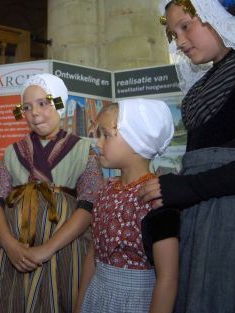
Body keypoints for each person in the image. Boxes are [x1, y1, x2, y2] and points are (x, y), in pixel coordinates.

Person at [139, 0, 235, 312]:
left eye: (186, 26)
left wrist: (192, 188)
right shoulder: (199, 88)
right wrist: (176, 197)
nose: (180, 41)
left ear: (219, 14)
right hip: (206, 224)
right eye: (173, 34)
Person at [0, 73, 103, 313]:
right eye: (26, 107)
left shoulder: (84, 150)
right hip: (13, 252)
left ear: (58, 105)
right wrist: (9, 245)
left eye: (43, 103)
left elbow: (89, 204)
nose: (34, 113)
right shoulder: (12, 152)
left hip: (62, 250)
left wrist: (47, 249)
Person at [75, 100, 179, 313]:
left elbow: (167, 279)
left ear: (136, 140)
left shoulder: (156, 200)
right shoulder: (105, 192)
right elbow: (94, 253)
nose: (98, 144)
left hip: (135, 302)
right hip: (98, 296)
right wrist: (80, 304)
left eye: (106, 135)